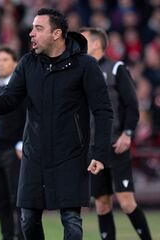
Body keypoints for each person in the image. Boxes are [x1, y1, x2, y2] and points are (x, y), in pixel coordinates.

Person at [0, 8, 113, 240]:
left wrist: (100, 152)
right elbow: (9, 100)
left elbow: (103, 111)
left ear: (57, 34)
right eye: (32, 27)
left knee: (71, 220)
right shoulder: (27, 63)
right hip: (34, 154)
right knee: (28, 219)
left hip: (71, 154)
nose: (31, 33)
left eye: (38, 28)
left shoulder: (85, 65)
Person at [80, 27, 152, 240]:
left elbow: (132, 105)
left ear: (95, 43)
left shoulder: (116, 68)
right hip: (93, 147)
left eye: (83, 40)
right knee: (102, 204)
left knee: (127, 202)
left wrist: (127, 133)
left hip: (115, 145)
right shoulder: (80, 71)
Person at [0, 45, 26, 240]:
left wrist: (22, 143)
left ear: (15, 63)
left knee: (17, 200)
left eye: (4, 60)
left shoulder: (21, 88)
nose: (0, 64)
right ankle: (7, 236)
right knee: (0, 201)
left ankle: (20, 236)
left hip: (14, 150)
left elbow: (29, 117)